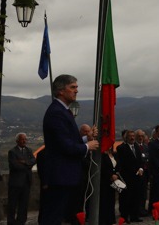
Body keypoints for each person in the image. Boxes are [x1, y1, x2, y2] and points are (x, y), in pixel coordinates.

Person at [38, 74, 99, 225]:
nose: (76, 91)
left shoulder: (64, 111)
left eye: (76, 87)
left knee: (59, 215)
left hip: (66, 175)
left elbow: (69, 140)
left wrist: (86, 138)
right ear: (60, 91)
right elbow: (64, 146)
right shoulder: (57, 113)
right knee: (52, 216)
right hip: (60, 175)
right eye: (72, 87)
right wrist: (87, 147)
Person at [7, 133, 35, 225]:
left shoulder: (29, 150)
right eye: (22, 139)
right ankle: (11, 222)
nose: (24, 141)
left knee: (24, 204)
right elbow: (14, 166)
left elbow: (33, 161)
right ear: (17, 141)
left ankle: (21, 221)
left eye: (25, 139)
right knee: (12, 204)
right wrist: (28, 165)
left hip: (26, 182)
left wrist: (24, 162)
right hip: (16, 182)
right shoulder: (12, 152)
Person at [114, 130, 142, 223]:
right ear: (126, 137)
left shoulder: (137, 147)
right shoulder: (121, 148)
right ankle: (125, 216)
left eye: (133, 136)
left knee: (136, 197)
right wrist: (135, 170)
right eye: (130, 136)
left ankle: (135, 216)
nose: (132, 138)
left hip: (137, 177)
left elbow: (140, 160)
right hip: (126, 177)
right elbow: (123, 163)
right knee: (125, 198)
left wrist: (141, 169)